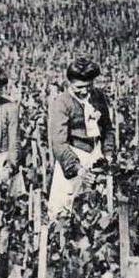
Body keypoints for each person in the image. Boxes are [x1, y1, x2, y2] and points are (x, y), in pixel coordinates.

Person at [47, 57, 115, 218]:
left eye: (89, 86)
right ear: (69, 83)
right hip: (73, 159)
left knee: (98, 210)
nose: (84, 91)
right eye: (79, 87)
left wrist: (108, 154)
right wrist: (78, 170)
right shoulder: (62, 103)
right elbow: (59, 143)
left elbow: (107, 128)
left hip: (97, 156)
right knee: (64, 210)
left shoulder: (98, 97)